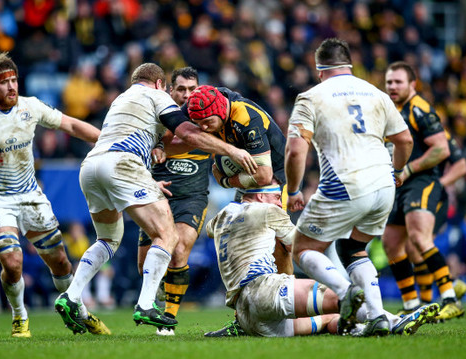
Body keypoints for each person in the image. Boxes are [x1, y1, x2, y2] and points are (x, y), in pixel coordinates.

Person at [53, 63, 257, 334]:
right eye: (179, 89)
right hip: (123, 166)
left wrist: (148, 170)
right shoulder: (158, 97)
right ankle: (147, 304)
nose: (186, 95)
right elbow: (185, 132)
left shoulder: (120, 99)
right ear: (163, 86)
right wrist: (232, 150)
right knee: (167, 236)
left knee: (108, 240)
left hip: (91, 167)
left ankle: (71, 295)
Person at [0, 52, 108, 338]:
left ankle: (78, 311)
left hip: (32, 197)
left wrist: (106, 139)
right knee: (12, 261)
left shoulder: (30, 106)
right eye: (4, 82)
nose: (12, 87)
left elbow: (70, 124)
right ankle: (20, 316)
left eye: (14, 80)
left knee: (61, 263)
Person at [285, 38, 414, 337]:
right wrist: (397, 170)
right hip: (384, 185)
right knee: (353, 247)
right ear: (349, 66)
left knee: (303, 248)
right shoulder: (378, 94)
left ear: (319, 70)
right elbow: (405, 140)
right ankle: (378, 316)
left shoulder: (311, 97)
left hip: (345, 183)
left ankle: (346, 293)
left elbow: (295, 150)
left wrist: (294, 190)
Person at [207, 182, 437, 337]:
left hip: (248, 317)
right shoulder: (267, 210)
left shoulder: (221, 216)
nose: (280, 203)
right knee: (339, 296)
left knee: (330, 318)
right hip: (264, 291)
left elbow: (210, 229)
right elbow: (301, 245)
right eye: (277, 197)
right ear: (259, 196)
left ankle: (360, 329)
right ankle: (392, 321)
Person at [184, 83, 294, 336]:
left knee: (281, 248)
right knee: (235, 245)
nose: (202, 128)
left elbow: (264, 175)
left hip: (277, 180)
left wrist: (226, 180)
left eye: (206, 122)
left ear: (220, 111)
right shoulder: (206, 107)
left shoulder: (246, 118)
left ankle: (290, 310)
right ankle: (242, 320)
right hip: (249, 180)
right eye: (197, 122)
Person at [382, 61, 464, 321]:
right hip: (399, 184)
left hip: (422, 180)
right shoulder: (393, 110)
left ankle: (450, 298)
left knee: (418, 239)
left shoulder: (421, 109)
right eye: (389, 82)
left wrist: (410, 169)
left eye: (398, 82)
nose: (392, 86)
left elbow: (443, 149)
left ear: (412, 84)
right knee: (391, 243)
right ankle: (411, 305)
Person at [136, 67, 211, 336]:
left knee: (178, 251)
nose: (187, 95)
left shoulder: (211, 120)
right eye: (181, 89)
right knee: (145, 265)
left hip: (192, 197)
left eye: (192, 89)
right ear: (170, 91)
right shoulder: (155, 117)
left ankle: (168, 319)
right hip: (156, 196)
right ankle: (153, 295)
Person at [405, 130, 466, 305]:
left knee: (420, 245)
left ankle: (439, 297)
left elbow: (462, 165)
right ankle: (448, 289)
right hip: (410, 197)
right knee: (413, 249)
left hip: (432, 199)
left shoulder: (437, 133)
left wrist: (440, 184)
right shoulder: (402, 131)